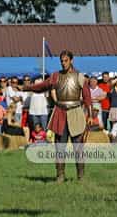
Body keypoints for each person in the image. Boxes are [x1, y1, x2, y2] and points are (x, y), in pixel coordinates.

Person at [24, 50, 92, 183]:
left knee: (78, 147)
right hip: (60, 112)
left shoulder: (80, 76)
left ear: (71, 60)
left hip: (76, 112)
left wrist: (89, 114)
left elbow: (87, 97)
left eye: (66, 60)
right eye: (61, 61)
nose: (63, 63)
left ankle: (80, 176)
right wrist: (28, 88)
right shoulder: (55, 76)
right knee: (60, 146)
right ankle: (60, 176)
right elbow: (42, 86)